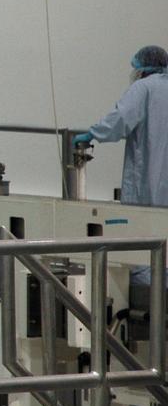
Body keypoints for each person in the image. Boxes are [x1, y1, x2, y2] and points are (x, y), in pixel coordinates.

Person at [75, 46, 168, 285]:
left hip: (149, 183)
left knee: (143, 242)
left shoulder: (143, 88)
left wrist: (92, 134)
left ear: (142, 69)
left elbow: (120, 119)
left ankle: (149, 294)